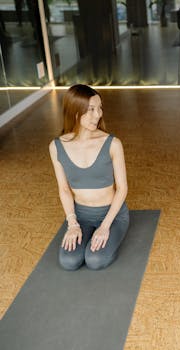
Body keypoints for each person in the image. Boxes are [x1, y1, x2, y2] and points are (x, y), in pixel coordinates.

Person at [49, 84, 129, 270]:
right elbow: (63, 189)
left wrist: (104, 227)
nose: (98, 114)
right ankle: (85, 233)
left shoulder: (112, 144)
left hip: (112, 215)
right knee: (69, 262)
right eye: (91, 109)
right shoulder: (56, 147)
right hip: (81, 216)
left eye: (99, 108)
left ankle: (108, 235)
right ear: (75, 111)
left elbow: (122, 188)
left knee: (95, 260)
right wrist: (72, 223)